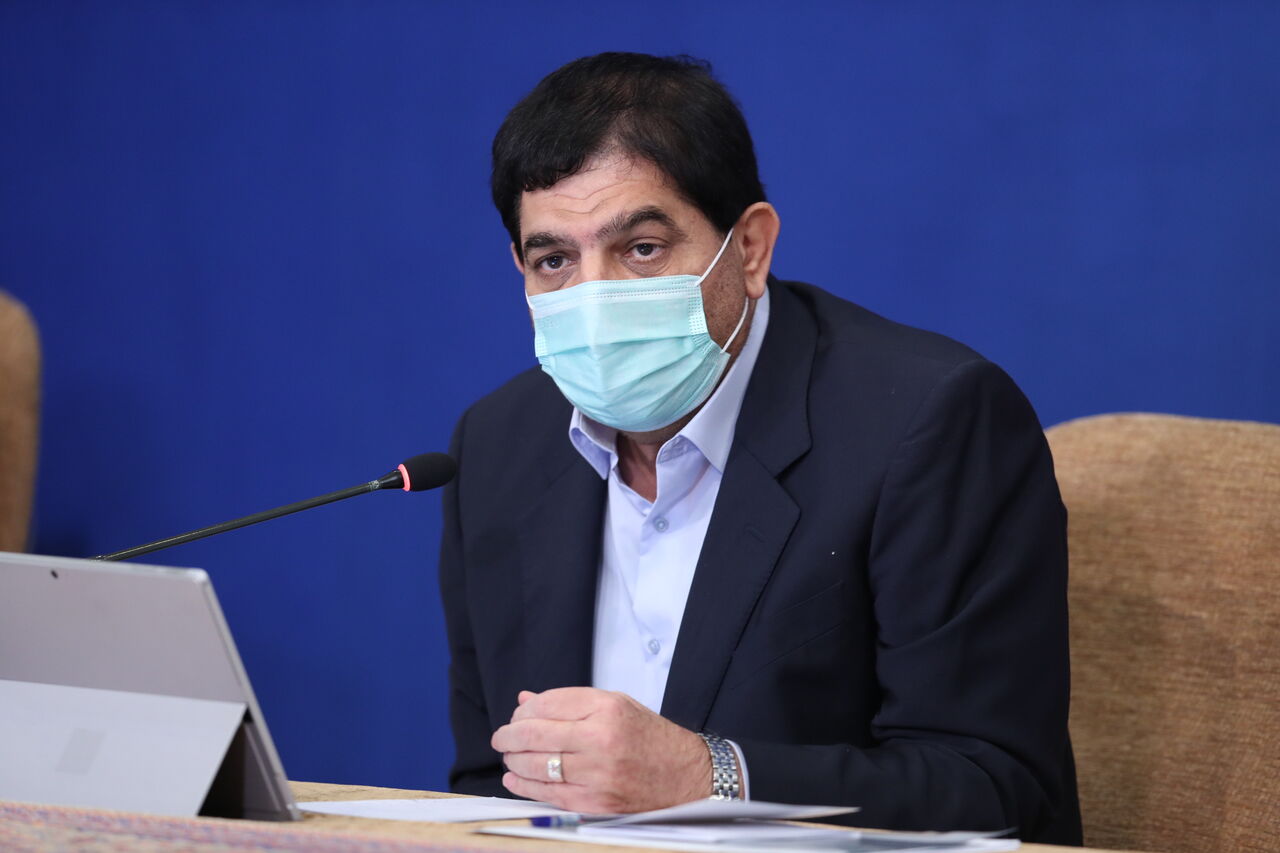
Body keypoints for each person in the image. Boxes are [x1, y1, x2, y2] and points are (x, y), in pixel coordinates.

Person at [438, 52, 1082, 844]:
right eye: (554, 260)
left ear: (748, 248)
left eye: (642, 248)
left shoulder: (929, 421)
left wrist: (708, 775)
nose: (594, 297)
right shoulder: (497, 447)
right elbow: (493, 782)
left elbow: (992, 785)